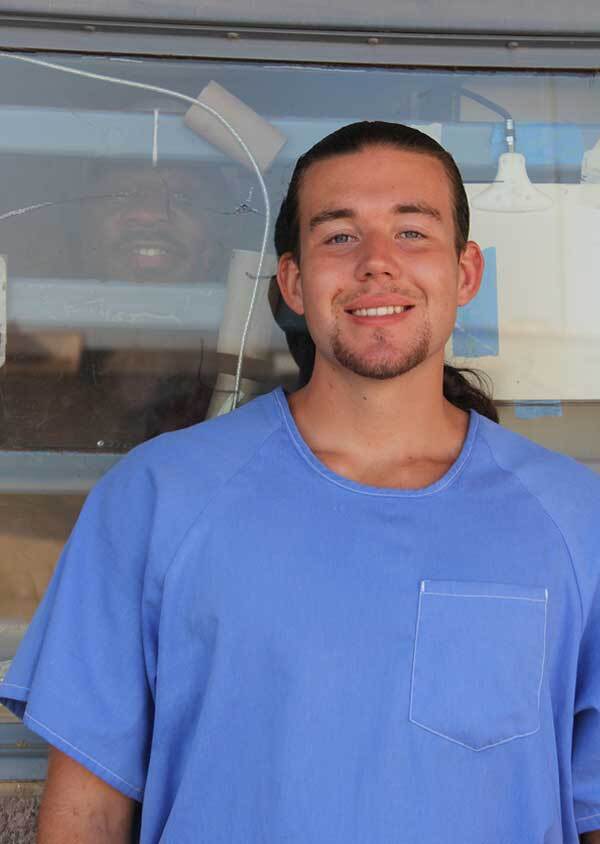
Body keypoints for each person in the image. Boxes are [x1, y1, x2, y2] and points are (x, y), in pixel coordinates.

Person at [1, 121, 599, 844]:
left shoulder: (573, 519)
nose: (377, 264)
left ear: (466, 272)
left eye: (412, 232)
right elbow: (86, 817)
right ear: (291, 281)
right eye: (340, 236)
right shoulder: (159, 498)